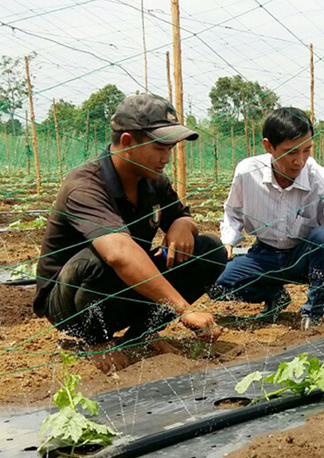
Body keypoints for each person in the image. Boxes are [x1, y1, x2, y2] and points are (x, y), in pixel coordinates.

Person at [33, 93, 227, 373]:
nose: (167, 158)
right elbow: (119, 254)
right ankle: (95, 340)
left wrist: (181, 225)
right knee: (99, 260)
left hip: (120, 289)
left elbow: (182, 215)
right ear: (128, 142)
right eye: (161, 147)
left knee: (209, 249)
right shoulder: (85, 185)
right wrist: (184, 309)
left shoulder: (153, 180)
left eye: (170, 149)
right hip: (69, 301)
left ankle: (143, 333)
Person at [212, 107, 324, 330]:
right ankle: (274, 294)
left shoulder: (322, 180)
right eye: (291, 152)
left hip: (304, 258)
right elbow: (233, 212)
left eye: (307, 150)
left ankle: (313, 312)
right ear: (268, 146)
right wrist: (227, 243)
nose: (300, 161)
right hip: (264, 256)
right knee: (214, 284)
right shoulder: (247, 172)